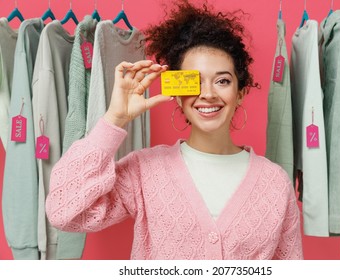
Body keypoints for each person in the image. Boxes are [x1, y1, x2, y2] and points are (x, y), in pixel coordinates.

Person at [45, 0, 303, 260]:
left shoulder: (275, 184)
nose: (208, 94)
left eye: (223, 81)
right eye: (194, 81)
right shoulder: (144, 170)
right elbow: (63, 211)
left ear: (240, 93)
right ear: (178, 94)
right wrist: (114, 120)